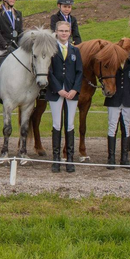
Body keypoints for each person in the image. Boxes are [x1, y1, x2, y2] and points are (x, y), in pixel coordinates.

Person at [47, 21, 83, 173]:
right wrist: (58, 89)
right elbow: (48, 71)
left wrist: (75, 89)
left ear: (70, 32)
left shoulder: (75, 51)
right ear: (56, 32)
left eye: (66, 31)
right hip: (56, 92)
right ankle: (56, 160)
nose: (64, 33)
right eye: (61, 30)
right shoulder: (51, 50)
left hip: (71, 93)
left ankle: (70, 159)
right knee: (57, 124)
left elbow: (79, 72)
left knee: (69, 124)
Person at [104, 55, 130, 170]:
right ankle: (111, 158)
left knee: (126, 128)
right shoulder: (112, 62)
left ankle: (124, 158)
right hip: (114, 98)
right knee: (112, 126)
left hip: (127, 99)